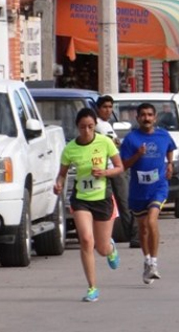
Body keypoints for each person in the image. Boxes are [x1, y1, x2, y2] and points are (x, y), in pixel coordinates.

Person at [55, 108, 124, 302]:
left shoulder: (105, 142)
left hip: (102, 199)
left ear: (95, 126)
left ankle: (110, 248)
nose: (87, 131)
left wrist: (105, 173)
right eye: (83, 127)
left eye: (91, 127)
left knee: (101, 248)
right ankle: (92, 287)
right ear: (77, 127)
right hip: (81, 199)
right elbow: (62, 173)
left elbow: (120, 167)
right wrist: (58, 183)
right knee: (86, 239)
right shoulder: (70, 149)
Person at [119, 103, 176, 285]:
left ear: (155, 117)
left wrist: (170, 164)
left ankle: (154, 263)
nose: (147, 118)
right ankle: (146, 260)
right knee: (143, 229)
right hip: (138, 191)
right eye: (143, 115)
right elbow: (124, 166)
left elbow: (170, 148)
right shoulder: (131, 139)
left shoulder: (163, 135)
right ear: (137, 118)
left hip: (158, 187)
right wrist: (138, 155)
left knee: (152, 221)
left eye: (150, 115)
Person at [94, 95, 136, 249]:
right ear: (98, 108)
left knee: (122, 202)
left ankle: (129, 233)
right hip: (110, 169)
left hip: (114, 168)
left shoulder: (106, 124)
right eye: (105, 107)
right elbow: (112, 144)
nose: (108, 110)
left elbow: (115, 143)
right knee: (123, 202)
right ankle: (132, 233)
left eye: (110, 107)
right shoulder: (98, 125)